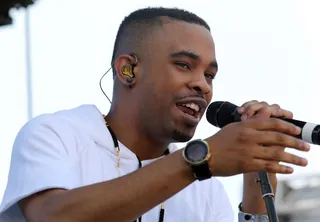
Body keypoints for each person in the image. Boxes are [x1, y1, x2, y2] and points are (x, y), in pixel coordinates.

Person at [0, 7, 310, 222]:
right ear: (128, 69)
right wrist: (201, 160)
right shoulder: (56, 134)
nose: (202, 84)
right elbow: (54, 217)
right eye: (184, 65)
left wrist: (259, 179)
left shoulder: (206, 187)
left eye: (210, 75)